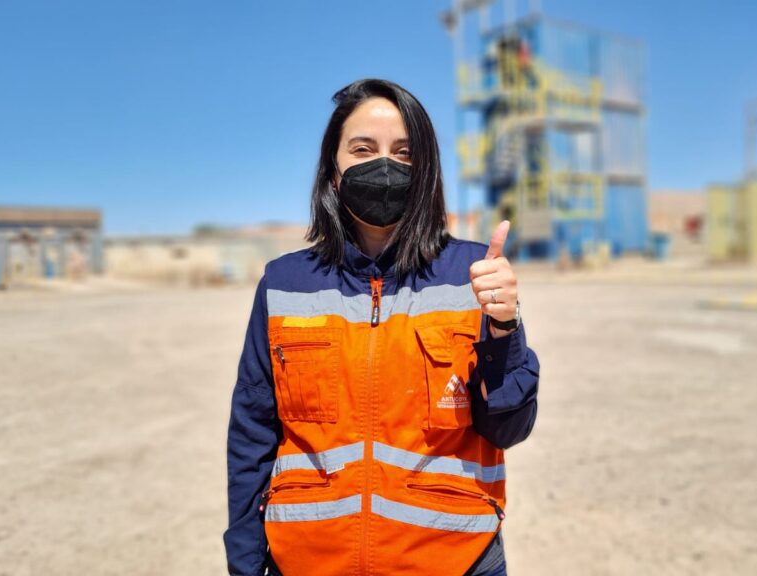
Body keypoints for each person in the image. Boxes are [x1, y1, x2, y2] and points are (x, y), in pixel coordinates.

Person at [224, 78, 540, 576]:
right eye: (363, 149)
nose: (385, 165)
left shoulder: (474, 274)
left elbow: (508, 428)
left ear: (426, 172)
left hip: (455, 561)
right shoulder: (284, 284)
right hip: (307, 563)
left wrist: (505, 328)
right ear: (333, 172)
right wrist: (244, 564)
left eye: (404, 152)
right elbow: (252, 434)